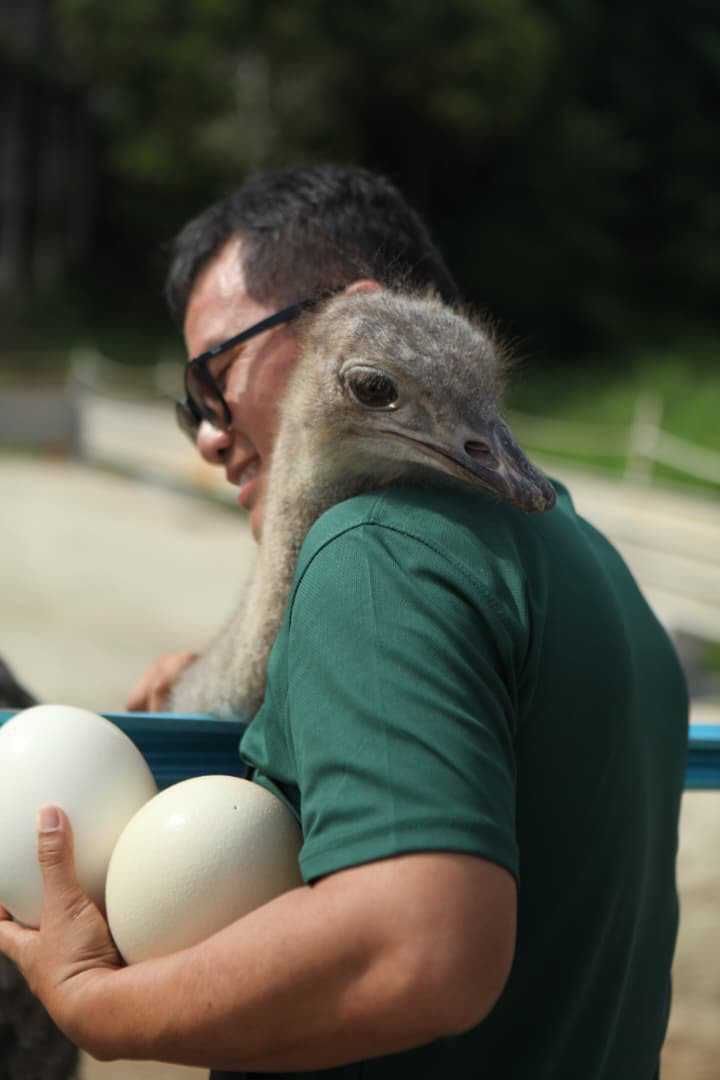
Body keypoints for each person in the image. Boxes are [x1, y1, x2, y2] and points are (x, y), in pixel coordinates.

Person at [0, 165, 688, 1079]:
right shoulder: (583, 557)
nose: (207, 433)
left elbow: (420, 951)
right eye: (191, 406)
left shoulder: (378, 548)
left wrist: (100, 1005)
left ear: (362, 319)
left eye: (216, 376)